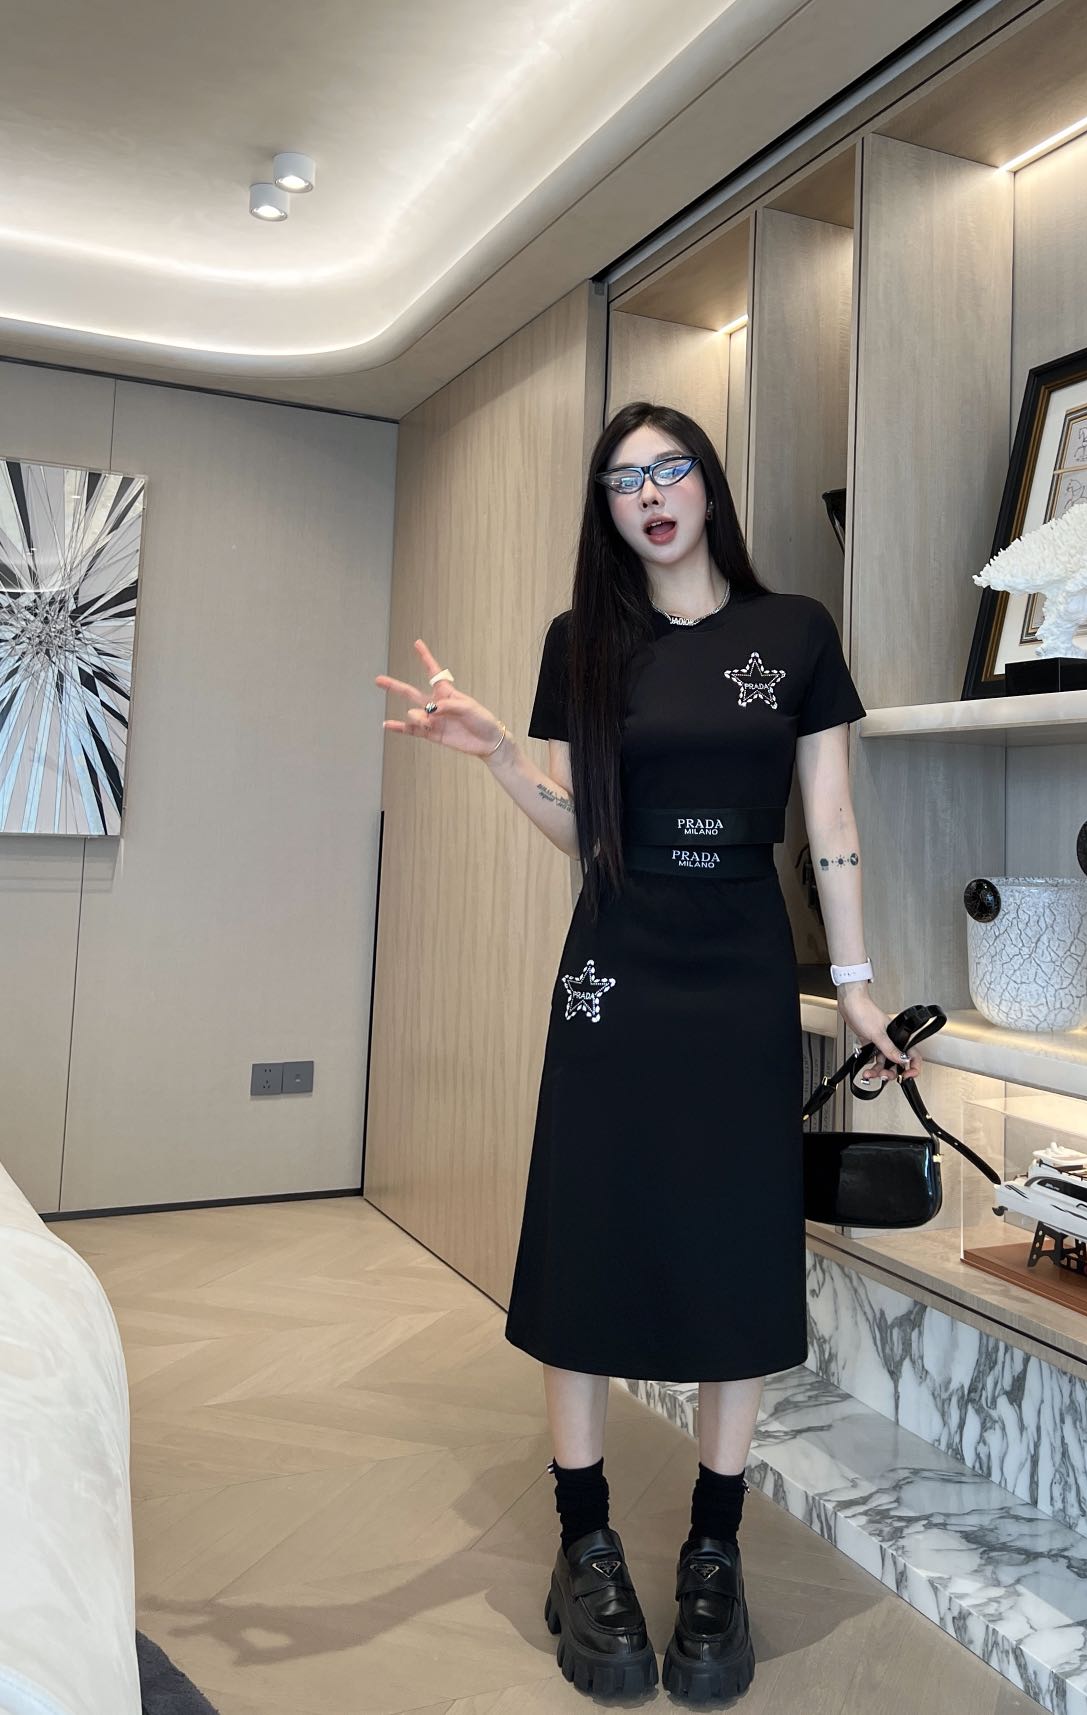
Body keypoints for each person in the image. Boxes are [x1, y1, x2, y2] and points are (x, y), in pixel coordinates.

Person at [376, 400, 923, 1702]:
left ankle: (715, 1552)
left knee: (736, 1237)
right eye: (626, 482)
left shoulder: (794, 632)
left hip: (739, 963)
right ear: (607, 511)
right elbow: (588, 832)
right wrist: (496, 756)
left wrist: (853, 985)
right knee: (590, 1225)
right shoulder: (584, 642)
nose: (653, 495)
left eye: (671, 469)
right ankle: (585, 1544)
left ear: (707, 486)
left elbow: (830, 819)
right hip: (615, 966)